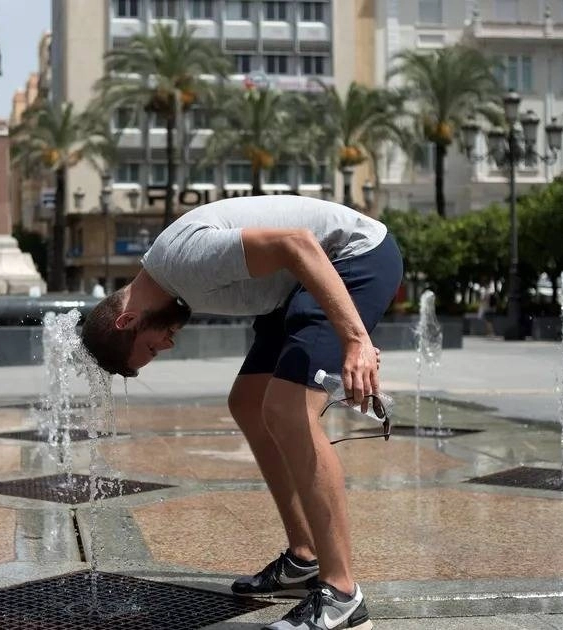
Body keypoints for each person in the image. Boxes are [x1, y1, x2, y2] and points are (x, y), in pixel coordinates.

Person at [82, 195, 401, 630]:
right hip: (295, 288)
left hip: (353, 258)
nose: (169, 345)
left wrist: (355, 339)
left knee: (288, 409)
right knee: (249, 402)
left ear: (127, 321)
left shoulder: (184, 264)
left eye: (153, 346)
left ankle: (342, 596)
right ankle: (304, 558)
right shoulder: (175, 277)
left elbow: (297, 243)